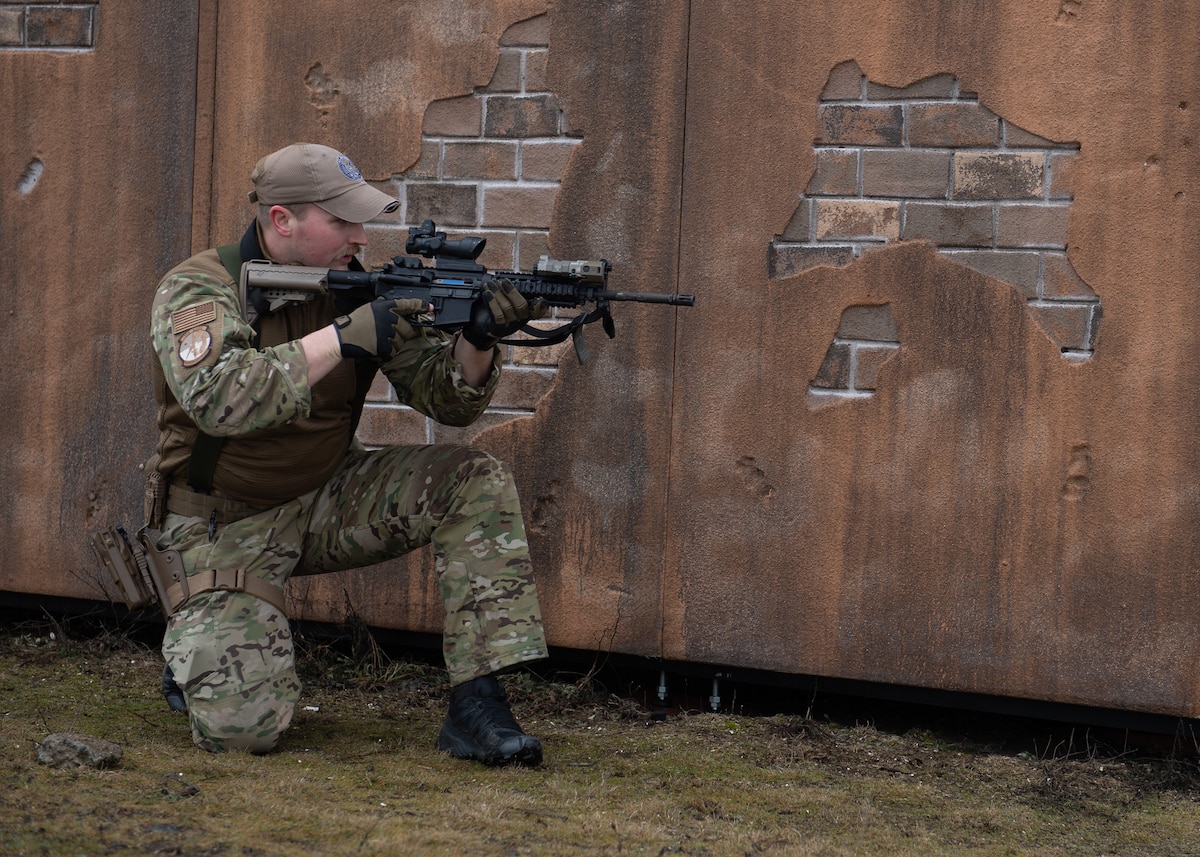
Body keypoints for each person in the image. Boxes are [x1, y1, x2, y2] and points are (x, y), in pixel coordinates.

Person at [145, 142, 548, 766]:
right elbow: (220, 396)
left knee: (473, 479)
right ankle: (193, 644)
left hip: (327, 497)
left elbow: (450, 401)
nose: (361, 236)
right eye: (341, 222)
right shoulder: (201, 287)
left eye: (362, 221)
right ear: (282, 220)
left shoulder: (360, 288)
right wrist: (342, 338)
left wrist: (479, 338)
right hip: (221, 524)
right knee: (244, 733)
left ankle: (478, 703)